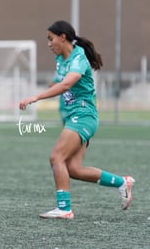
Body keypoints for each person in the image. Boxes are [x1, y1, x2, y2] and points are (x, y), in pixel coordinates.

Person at [19, 20, 135, 219]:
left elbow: (66, 85)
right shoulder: (61, 59)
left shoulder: (78, 57)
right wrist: (49, 85)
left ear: (63, 37)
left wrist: (36, 97)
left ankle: (64, 209)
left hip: (83, 116)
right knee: (73, 169)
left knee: (56, 158)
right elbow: (59, 81)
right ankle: (122, 182)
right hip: (75, 116)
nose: (48, 44)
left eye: (50, 39)